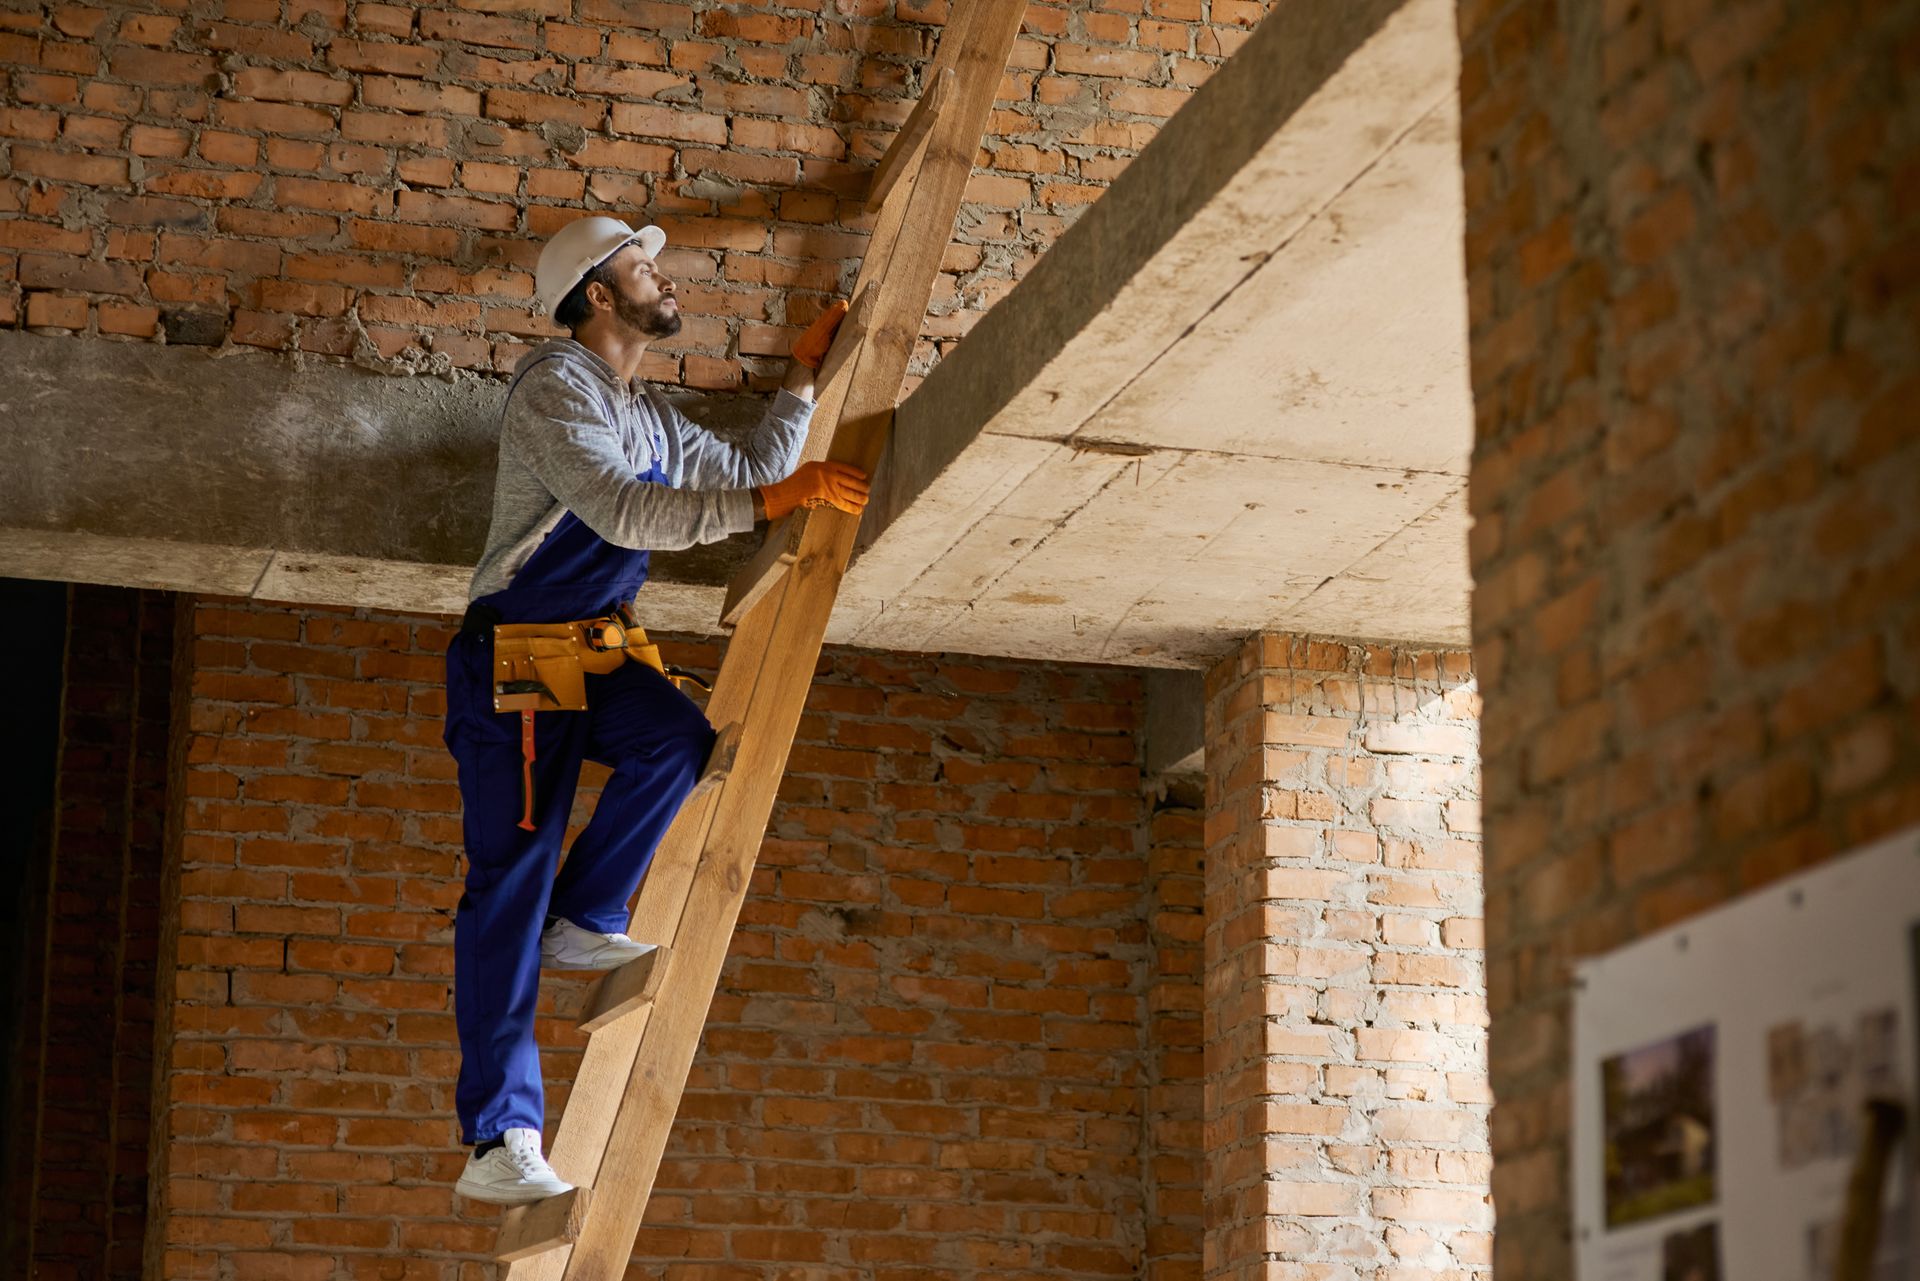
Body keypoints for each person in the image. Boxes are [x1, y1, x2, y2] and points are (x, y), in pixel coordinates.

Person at [443, 216, 868, 1203]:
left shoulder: (652, 420)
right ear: (599, 294)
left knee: (676, 743)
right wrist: (776, 503)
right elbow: (623, 511)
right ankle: (499, 1139)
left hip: (588, 651)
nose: (663, 281)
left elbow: (754, 472)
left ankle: (586, 914)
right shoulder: (556, 389)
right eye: (644, 268)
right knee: (509, 880)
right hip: (521, 654)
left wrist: (801, 383)